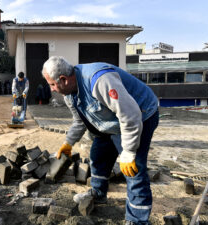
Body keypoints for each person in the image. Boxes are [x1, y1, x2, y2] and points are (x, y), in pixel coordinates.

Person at [42, 56, 159, 225]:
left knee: (134, 168)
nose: (51, 89)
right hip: (109, 121)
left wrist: (128, 152)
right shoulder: (69, 94)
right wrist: (68, 143)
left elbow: (130, 115)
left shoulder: (99, 80)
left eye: (52, 84)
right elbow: (79, 120)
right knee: (98, 155)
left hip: (141, 115)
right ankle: (98, 193)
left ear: (63, 79)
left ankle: (137, 220)